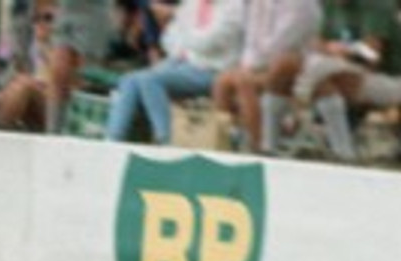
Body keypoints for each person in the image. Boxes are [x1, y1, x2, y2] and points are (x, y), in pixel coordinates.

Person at [269, 0, 401, 160]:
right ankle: (271, 143)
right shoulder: (330, 6)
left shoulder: (377, 6)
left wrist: (339, 50)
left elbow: (371, 57)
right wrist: (335, 50)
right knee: (287, 66)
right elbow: (317, 43)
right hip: (341, 68)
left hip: (390, 78)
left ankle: (338, 149)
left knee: (324, 73)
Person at [104, 0, 244, 143]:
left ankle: (165, 139)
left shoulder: (234, 6)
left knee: (149, 80)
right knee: (130, 80)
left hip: (212, 69)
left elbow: (209, 43)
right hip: (182, 61)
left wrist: (185, 34)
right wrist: (186, 36)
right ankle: (113, 139)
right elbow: (169, 38)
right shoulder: (192, 3)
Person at [210, 0, 321, 153]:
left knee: (244, 82)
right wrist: (247, 67)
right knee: (223, 81)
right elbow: (251, 43)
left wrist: (251, 70)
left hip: (294, 69)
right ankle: (230, 140)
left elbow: (282, 44)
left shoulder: (302, 5)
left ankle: (260, 147)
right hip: (262, 66)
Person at [44, 0, 112, 133]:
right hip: (66, 9)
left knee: (84, 76)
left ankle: (80, 129)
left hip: (93, 12)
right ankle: (52, 133)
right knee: (58, 72)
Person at [0, 0, 55, 129]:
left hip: (57, 102)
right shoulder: (27, 44)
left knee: (23, 86)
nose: (40, 23)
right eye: (36, 19)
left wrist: (46, 48)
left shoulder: (68, 48)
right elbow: (14, 71)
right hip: (28, 95)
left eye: (48, 18)